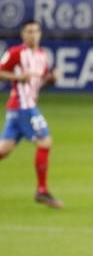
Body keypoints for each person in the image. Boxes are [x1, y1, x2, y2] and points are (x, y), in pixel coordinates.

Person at [0, 20, 62, 209]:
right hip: (22, 106)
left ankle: (42, 191)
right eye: (29, 31)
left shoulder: (42, 55)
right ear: (22, 34)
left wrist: (51, 79)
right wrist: (18, 77)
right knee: (45, 141)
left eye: (36, 31)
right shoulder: (15, 53)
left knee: (4, 150)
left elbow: (38, 83)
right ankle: (41, 191)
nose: (33, 35)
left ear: (40, 34)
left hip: (23, 107)